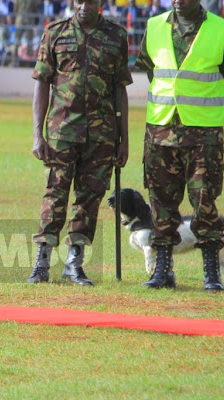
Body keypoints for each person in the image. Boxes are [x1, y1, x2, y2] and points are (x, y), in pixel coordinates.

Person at [134, 0, 224, 291]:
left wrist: (205, 99)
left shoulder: (221, 29)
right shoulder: (154, 26)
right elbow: (151, 71)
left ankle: (211, 274)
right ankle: (163, 271)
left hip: (203, 131)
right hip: (161, 129)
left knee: (205, 200)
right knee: (161, 203)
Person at [27, 0, 131, 285]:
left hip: (102, 134)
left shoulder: (116, 36)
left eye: (92, 1)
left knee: (90, 199)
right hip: (62, 131)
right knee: (55, 195)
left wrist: (124, 139)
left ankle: (74, 261)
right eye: (80, 0)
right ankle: (42, 261)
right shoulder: (55, 33)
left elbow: (120, 89)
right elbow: (42, 82)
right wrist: (38, 134)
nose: (86, 6)